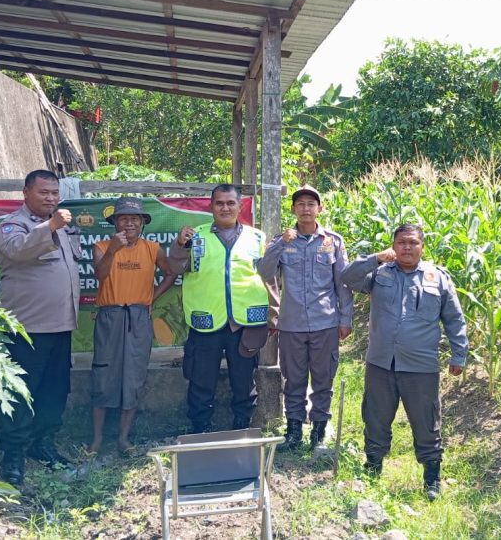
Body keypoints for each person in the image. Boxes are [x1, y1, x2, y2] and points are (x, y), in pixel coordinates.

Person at [341, 224, 468, 500]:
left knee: (426, 422)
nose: (407, 248)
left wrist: (459, 354)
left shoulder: (438, 278)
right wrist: (375, 258)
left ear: (422, 246)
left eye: (413, 243)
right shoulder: (379, 273)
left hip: (420, 366)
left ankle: (432, 478)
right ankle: (373, 467)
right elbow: (347, 278)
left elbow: (454, 318)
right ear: (393, 246)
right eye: (401, 243)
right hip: (381, 363)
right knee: (375, 416)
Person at [0, 169, 81, 486]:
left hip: (61, 327)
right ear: (26, 193)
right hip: (27, 329)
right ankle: (13, 455)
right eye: (44, 192)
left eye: (55, 193)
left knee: (54, 392)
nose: (51, 198)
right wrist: (50, 226)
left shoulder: (65, 227)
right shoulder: (12, 226)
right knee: (21, 393)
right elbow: (18, 250)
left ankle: (43, 445)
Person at [257, 185, 354, 450]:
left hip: (325, 323)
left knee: (323, 379)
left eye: (311, 204)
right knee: (294, 380)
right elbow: (265, 272)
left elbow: (342, 283)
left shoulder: (332, 241)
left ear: (319, 209)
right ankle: (294, 430)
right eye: (300, 204)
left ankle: (319, 430)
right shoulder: (283, 240)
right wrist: (279, 245)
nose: (306, 208)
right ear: (293, 209)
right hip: (292, 324)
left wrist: (345, 319)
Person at [169, 184, 271, 432]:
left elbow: (271, 278)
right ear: (210, 206)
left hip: (243, 322)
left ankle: (242, 425)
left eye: (230, 203)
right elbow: (174, 269)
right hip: (206, 320)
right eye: (219, 203)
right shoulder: (194, 237)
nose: (225, 208)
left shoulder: (257, 238)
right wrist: (180, 246)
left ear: (240, 206)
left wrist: (274, 316)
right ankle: (200, 426)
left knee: (244, 379)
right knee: (201, 379)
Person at [88, 197, 176, 454]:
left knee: (134, 375)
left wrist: (152, 298)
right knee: (103, 374)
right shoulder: (102, 246)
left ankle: (124, 439)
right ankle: (96, 439)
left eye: (134, 219)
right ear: (115, 222)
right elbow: (99, 275)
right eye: (123, 218)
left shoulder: (152, 248)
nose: (129, 223)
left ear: (142, 223)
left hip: (138, 316)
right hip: (110, 315)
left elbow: (170, 273)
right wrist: (114, 250)